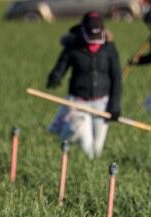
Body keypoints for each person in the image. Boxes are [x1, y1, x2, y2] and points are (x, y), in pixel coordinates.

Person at [46, 11, 122, 158]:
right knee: (87, 148)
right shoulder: (73, 47)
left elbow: (116, 78)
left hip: (102, 104)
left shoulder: (109, 50)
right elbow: (61, 66)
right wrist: (55, 77)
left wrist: (114, 105)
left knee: (96, 149)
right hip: (79, 103)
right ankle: (69, 136)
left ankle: (92, 170)